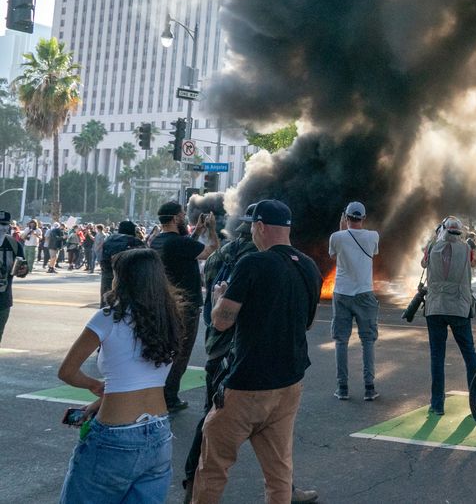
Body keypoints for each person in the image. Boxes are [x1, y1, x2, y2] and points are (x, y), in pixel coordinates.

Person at [193, 200, 321, 504]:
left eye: (253, 225)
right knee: (279, 472)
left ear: (260, 227)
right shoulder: (309, 266)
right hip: (289, 384)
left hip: (247, 385)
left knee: (212, 468)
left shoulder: (252, 264)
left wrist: (218, 297)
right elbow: (310, 323)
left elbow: (222, 323)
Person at [56, 249, 184, 503]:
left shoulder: (108, 318)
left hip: (115, 435)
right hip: (159, 432)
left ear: (123, 279)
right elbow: (140, 378)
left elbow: (67, 372)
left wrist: (96, 386)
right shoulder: (170, 318)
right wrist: (101, 400)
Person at [150, 201, 218, 412]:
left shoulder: (157, 241)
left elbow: (184, 248)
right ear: (174, 218)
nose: (184, 218)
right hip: (185, 305)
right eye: (181, 215)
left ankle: (157, 393)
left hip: (164, 302)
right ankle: (169, 398)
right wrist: (212, 230)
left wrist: (197, 231)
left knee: (165, 350)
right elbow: (212, 250)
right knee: (181, 353)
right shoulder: (179, 243)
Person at [420, 216, 476, 415]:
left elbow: (423, 265)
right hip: (459, 307)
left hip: (436, 308)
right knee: (469, 353)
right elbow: (472, 265)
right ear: (459, 232)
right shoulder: (466, 248)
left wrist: (435, 237)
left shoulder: (432, 246)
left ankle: (437, 405)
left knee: (437, 357)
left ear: (442, 229)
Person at [328, 201, 380, 401]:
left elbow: (333, 256)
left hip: (342, 293)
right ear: (363, 218)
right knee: (368, 341)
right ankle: (369, 387)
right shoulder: (373, 236)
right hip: (365, 294)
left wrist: (342, 230)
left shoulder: (336, 237)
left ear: (346, 217)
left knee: (341, 341)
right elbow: (373, 253)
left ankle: (342, 388)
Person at [0, 212, 28, 344]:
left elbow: (22, 270)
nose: (2, 228)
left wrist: (23, 270)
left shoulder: (14, 245)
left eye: (5, 224)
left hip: (3, 299)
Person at [100, 221, 146, 299]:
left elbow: (103, 259)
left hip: (108, 276)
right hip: (128, 280)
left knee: (107, 305)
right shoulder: (135, 242)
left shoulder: (109, 240)